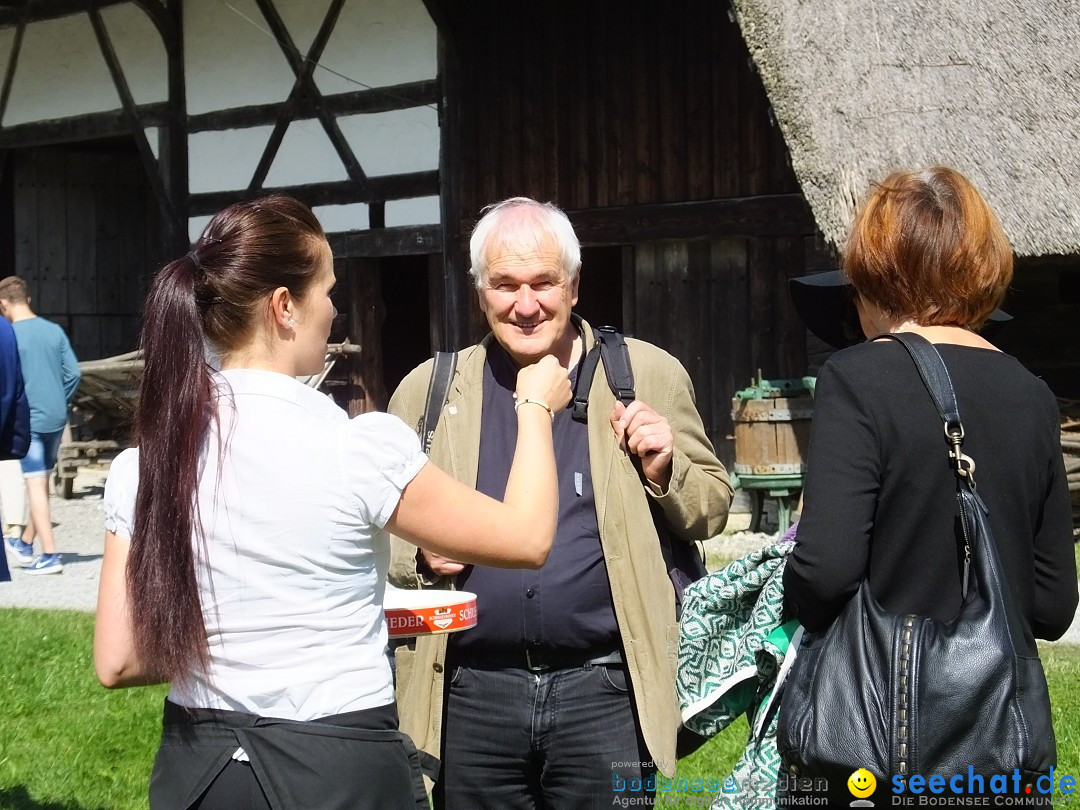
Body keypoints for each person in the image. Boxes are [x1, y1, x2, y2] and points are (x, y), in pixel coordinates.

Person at [92, 194, 572, 810]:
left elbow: (118, 659)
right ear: (284, 307)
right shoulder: (355, 448)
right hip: (333, 766)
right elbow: (527, 538)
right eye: (327, 291)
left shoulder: (143, 467)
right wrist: (534, 407)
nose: (334, 310)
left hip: (201, 771)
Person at [387, 197, 733, 809]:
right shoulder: (430, 392)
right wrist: (418, 554)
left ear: (573, 285)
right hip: (469, 691)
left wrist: (666, 467)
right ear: (479, 292)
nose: (526, 305)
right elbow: (375, 533)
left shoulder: (644, 373)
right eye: (505, 285)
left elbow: (711, 508)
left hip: (606, 691)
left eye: (543, 283)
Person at [784, 167, 1077, 786]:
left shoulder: (857, 377)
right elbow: (1051, 607)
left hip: (880, 747)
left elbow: (827, 568)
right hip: (998, 755)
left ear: (877, 276)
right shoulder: (1035, 396)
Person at [0, 276, 80, 574]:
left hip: (29, 419)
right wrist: (59, 398)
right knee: (41, 481)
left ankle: (50, 554)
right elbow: (73, 373)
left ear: (2, 304)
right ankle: (25, 540)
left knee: (34, 484)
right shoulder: (54, 331)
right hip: (56, 417)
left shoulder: (8, 336)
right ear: (28, 299)